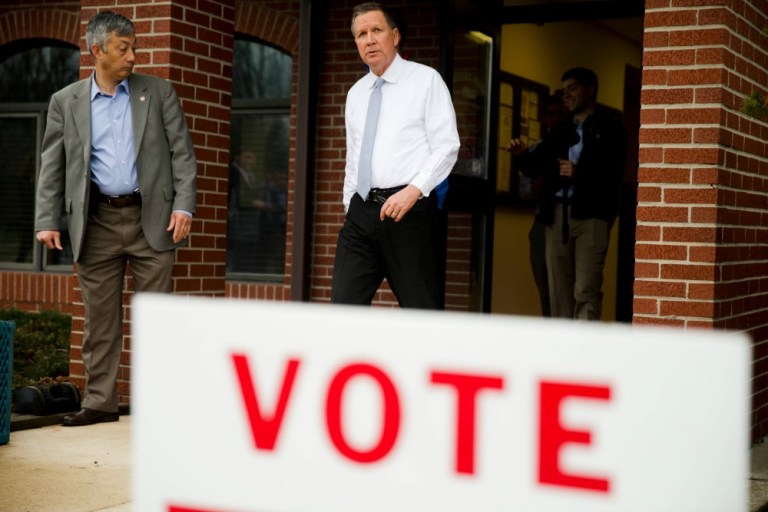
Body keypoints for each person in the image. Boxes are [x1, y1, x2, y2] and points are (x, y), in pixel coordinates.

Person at [35, 11, 197, 426]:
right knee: (100, 321)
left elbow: (182, 153)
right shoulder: (65, 101)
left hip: (154, 218)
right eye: (123, 49)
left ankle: (157, 404)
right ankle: (100, 403)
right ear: (97, 51)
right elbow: (53, 165)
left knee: (157, 317)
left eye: (135, 48)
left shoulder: (158, 93)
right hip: (97, 222)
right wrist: (46, 219)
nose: (132, 56)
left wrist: (184, 205)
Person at [331, 2, 460, 309]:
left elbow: (446, 146)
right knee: (342, 309)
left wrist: (413, 191)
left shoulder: (426, 80)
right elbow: (354, 155)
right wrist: (350, 202)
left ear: (395, 36)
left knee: (421, 310)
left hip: (408, 212)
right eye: (361, 34)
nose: (369, 40)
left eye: (377, 30)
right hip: (361, 213)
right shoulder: (356, 93)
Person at [510, 68, 626, 320]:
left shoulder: (610, 128)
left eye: (572, 88)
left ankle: (585, 353)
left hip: (592, 216)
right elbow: (534, 166)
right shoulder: (561, 130)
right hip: (557, 215)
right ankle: (563, 353)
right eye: (565, 90)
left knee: (585, 288)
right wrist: (521, 156)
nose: (567, 95)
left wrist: (579, 173)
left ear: (590, 89)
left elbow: (614, 173)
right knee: (558, 290)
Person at [512, 94, 571, 317]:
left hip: (566, 219)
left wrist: (546, 182)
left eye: (560, 114)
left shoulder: (574, 143)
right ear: (544, 119)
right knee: (545, 285)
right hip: (542, 220)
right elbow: (525, 187)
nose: (555, 119)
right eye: (550, 114)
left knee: (566, 286)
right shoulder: (540, 147)